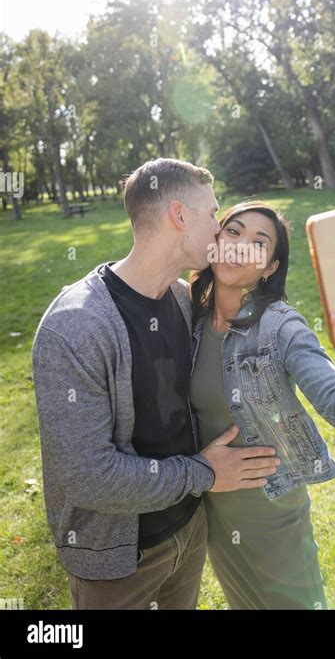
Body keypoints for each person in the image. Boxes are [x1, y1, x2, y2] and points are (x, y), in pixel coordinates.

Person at [31, 160, 280, 610]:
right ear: (180, 216)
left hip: (188, 530)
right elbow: (87, 476)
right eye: (213, 214)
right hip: (120, 561)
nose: (219, 230)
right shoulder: (76, 326)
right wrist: (203, 474)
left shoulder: (184, 301)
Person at [189, 201, 335, 609]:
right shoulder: (186, 318)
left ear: (269, 268)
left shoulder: (280, 326)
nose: (241, 246)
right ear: (215, 242)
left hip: (272, 518)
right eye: (233, 231)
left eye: (258, 243)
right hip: (210, 516)